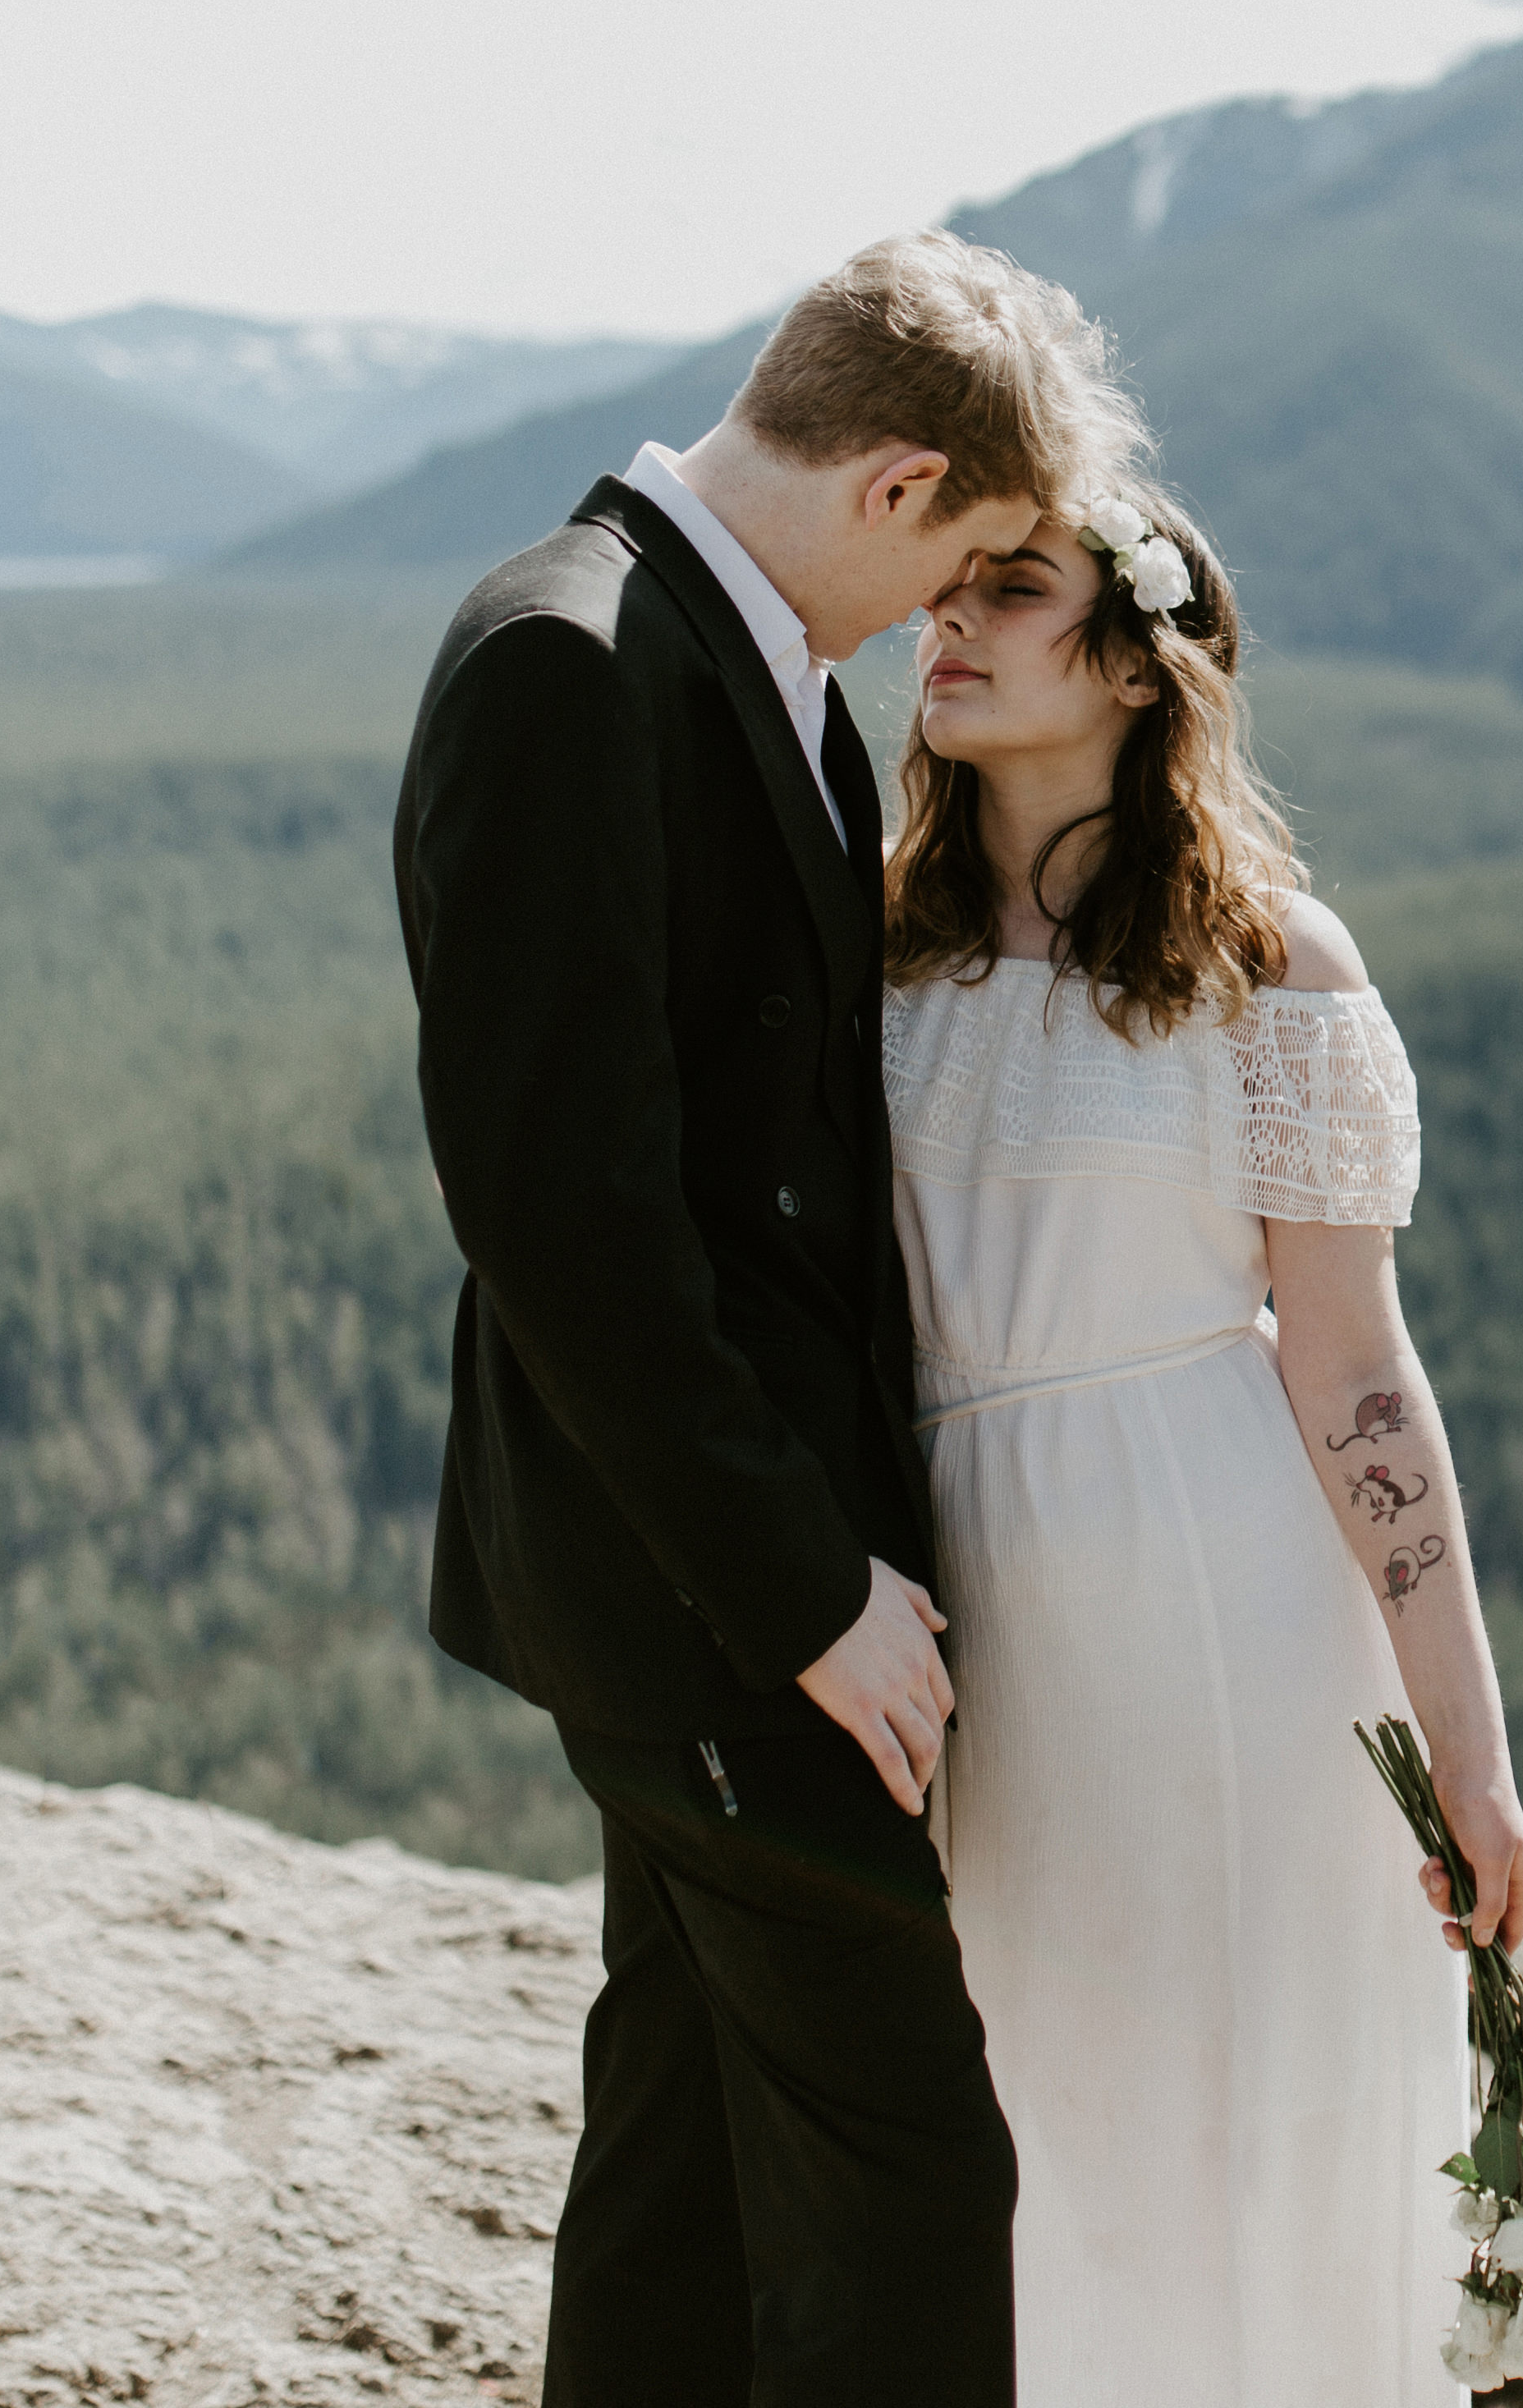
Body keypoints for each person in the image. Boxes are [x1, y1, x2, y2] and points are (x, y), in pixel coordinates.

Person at [391, 228, 1139, 2408]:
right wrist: (806, 1592)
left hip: (734, 1579)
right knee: (919, 2178)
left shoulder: (755, 666)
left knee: (690, 2156)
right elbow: (565, 1217)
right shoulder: (567, 659)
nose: (944, 620)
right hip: (703, 1600)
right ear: (898, 484)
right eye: (971, 558)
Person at [883, 474, 1523, 2408]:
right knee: (1027, 2142)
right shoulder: (876, 936)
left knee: (1235, 2134)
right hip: (965, 1600)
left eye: (1017, 592)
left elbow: (1356, 1377)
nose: (955, 623)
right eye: (949, 587)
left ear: (1141, 666)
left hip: (1220, 1602)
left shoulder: (1271, 968)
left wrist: (1471, 1761)